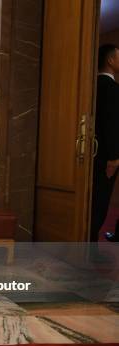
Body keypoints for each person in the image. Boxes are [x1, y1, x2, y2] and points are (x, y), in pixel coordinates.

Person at [90, 44, 119, 244]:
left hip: (92, 152)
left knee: (92, 202)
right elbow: (112, 124)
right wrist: (114, 157)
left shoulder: (91, 85)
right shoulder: (111, 88)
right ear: (110, 60)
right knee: (100, 203)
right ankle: (89, 248)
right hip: (106, 156)